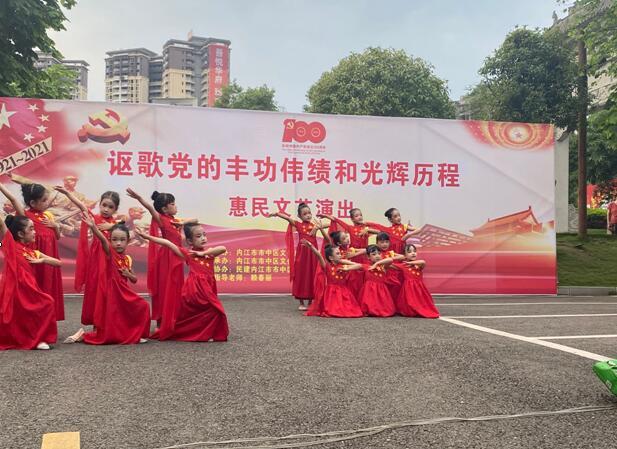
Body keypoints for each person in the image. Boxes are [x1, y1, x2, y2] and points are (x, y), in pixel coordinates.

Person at [65, 215, 150, 345]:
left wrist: (128, 274)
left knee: (143, 306)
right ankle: (83, 335)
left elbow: (134, 280)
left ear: (128, 241)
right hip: (111, 293)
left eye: (122, 240)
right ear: (110, 240)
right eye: (114, 240)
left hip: (123, 292)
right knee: (109, 332)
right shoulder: (110, 253)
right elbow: (103, 240)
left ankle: (135, 334)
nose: (118, 243)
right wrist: (93, 227)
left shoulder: (127, 259)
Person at [137, 223, 229, 342]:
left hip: (207, 287)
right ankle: (203, 334)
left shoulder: (209, 253)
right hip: (196, 288)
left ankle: (204, 333)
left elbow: (223, 248)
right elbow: (168, 243)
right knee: (216, 309)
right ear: (190, 241)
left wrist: (203, 253)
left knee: (206, 312)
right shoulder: (189, 254)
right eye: (198, 236)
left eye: (204, 235)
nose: (203, 238)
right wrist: (147, 237)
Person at [126, 189, 196, 335]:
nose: (175, 206)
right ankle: (160, 320)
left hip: (177, 256)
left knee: (176, 288)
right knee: (164, 288)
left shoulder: (175, 221)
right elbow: (150, 208)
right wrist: (139, 197)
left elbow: (195, 220)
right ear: (164, 209)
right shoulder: (162, 219)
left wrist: (181, 222)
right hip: (166, 257)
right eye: (173, 204)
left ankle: (174, 318)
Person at [55, 187, 120, 328]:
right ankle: (97, 323)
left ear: (115, 209)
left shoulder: (116, 225)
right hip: (97, 258)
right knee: (97, 288)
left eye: (110, 207)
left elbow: (123, 232)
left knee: (110, 289)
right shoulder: (95, 218)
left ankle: (110, 322)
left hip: (111, 258)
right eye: (104, 205)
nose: (106, 209)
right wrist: (67, 193)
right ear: (100, 204)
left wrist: (112, 227)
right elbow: (82, 206)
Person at [2, 178, 65, 321]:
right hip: (33, 261)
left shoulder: (48, 217)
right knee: (34, 292)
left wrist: (55, 226)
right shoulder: (26, 217)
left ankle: (46, 321)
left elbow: (57, 237)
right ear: (32, 203)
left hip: (47, 260)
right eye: (44, 200)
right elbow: (13, 200)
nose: (48, 203)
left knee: (48, 290)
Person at [0, 214, 59, 350]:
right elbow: (2, 224)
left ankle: (38, 338)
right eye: (31, 229)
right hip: (15, 289)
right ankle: (34, 340)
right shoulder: (11, 245)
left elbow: (58, 263)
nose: (35, 232)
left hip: (30, 289)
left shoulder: (32, 251)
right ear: (20, 234)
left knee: (46, 303)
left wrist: (43, 260)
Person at [268, 203, 325, 311]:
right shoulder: (298, 225)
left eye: (309, 213)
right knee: (301, 275)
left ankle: (311, 301)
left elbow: (326, 225)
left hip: (312, 254)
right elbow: (288, 218)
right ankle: (301, 302)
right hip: (302, 254)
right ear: (300, 216)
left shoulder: (314, 225)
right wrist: (277, 214)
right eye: (305, 214)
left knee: (313, 274)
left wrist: (321, 225)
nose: (308, 215)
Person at [303, 241, 364, 318]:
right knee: (333, 310)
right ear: (331, 258)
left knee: (351, 311)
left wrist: (344, 262)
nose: (340, 255)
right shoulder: (327, 266)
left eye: (340, 253)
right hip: (331, 292)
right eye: (337, 254)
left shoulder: (343, 265)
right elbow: (319, 255)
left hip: (344, 291)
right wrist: (311, 247)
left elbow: (360, 266)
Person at [392, 244, 440, 318]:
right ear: (405, 255)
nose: (413, 253)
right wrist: (396, 258)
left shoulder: (418, 264)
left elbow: (423, 262)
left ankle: (419, 309)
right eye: (409, 252)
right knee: (410, 302)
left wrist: (410, 263)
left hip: (419, 288)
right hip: (409, 289)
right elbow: (388, 264)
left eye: (414, 251)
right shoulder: (403, 265)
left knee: (422, 301)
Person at [357, 245, 396, 317]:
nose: (377, 256)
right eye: (374, 254)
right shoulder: (367, 266)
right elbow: (357, 265)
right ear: (368, 257)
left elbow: (390, 260)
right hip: (369, 290)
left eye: (379, 253)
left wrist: (377, 263)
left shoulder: (383, 266)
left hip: (381, 289)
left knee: (383, 305)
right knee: (369, 301)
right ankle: (370, 310)